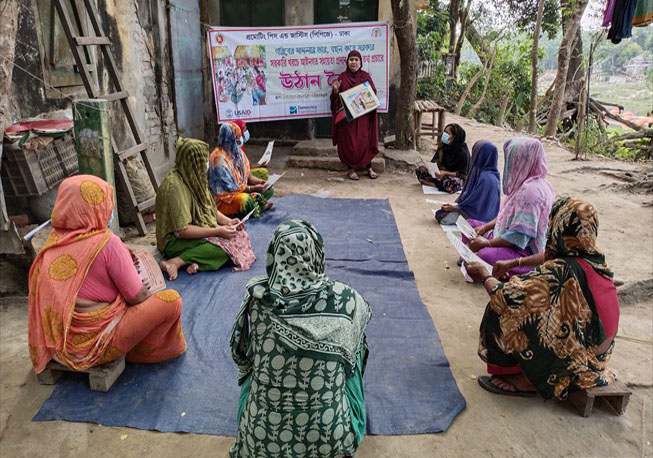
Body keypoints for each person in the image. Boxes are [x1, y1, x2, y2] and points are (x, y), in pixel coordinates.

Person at [229, 220, 372, 458]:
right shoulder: (347, 300)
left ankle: (254, 424)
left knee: (253, 367)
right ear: (316, 253)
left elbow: (241, 355)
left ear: (274, 256)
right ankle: (340, 414)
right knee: (354, 349)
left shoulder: (257, 299)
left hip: (259, 444)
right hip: (331, 441)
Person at [27, 175, 186, 375]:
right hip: (97, 344)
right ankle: (138, 352)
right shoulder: (106, 243)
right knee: (172, 301)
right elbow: (137, 296)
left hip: (59, 347)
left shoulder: (52, 243)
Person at [465, 197, 620, 399]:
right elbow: (550, 254)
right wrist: (515, 263)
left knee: (500, 309)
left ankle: (527, 381)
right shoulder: (594, 257)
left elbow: (507, 296)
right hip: (602, 353)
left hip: (581, 360)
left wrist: (484, 275)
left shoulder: (561, 272)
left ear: (559, 226)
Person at [156, 137, 254, 281]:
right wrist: (217, 231)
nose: (206, 165)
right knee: (223, 250)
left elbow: (210, 209)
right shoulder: (174, 187)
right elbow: (181, 231)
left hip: (200, 228)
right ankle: (176, 261)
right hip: (174, 241)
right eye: (203, 162)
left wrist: (228, 222)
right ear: (193, 161)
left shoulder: (194, 176)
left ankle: (194, 261)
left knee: (239, 237)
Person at [463, 137, 555, 278]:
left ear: (523, 161)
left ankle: (480, 259)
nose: (510, 165)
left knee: (484, 256)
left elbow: (518, 238)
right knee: (468, 225)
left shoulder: (531, 192)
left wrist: (486, 243)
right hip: (502, 233)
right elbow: (504, 215)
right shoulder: (526, 184)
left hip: (524, 252)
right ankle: (473, 256)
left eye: (514, 160)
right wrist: (486, 227)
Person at [331, 50, 379, 181]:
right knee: (349, 144)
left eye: (356, 60)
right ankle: (350, 169)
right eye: (351, 59)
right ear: (347, 62)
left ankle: (368, 167)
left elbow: (373, 93)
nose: (353, 62)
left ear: (360, 62)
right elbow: (335, 99)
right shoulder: (342, 77)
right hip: (348, 120)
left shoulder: (365, 76)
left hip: (363, 118)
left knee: (365, 142)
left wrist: (367, 92)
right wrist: (335, 91)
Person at [209, 122, 274, 218]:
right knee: (245, 201)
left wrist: (262, 182)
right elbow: (230, 189)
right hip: (224, 198)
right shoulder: (219, 160)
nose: (241, 139)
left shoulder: (237, 152)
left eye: (240, 136)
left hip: (242, 189)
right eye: (237, 137)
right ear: (230, 138)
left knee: (269, 189)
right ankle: (256, 204)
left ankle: (256, 203)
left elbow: (248, 176)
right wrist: (253, 188)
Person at [435, 140, 501, 225]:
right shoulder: (480, 172)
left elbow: (477, 207)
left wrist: (456, 208)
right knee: (442, 212)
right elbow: (471, 196)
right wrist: (457, 205)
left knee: (441, 215)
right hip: (472, 210)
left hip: (480, 217)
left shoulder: (487, 179)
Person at [416, 123, 470, 193]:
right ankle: (439, 184)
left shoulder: (463, 153)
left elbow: (462, 174)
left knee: (453, 182)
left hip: (454, 177)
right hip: (440, 174)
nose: (444, 134)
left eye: (447, 133)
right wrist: (428, 168)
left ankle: (434, 184)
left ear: (454, 137)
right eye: (444, 132)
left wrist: (445, 173)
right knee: (420, 170)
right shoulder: (443, 147)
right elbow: (434, 161)